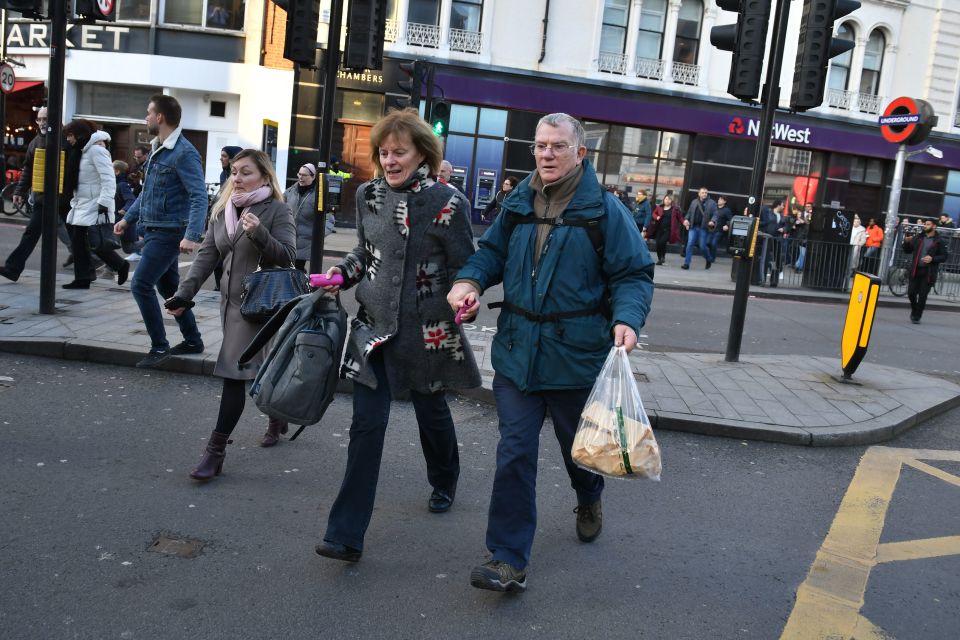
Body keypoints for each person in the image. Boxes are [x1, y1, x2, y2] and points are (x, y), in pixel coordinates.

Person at [447, 112, 654, 593]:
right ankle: (506, 558)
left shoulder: (605, 210)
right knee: (514, 453)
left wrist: (627, 318)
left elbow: (633, 274)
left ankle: (589, 495)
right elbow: (491, 253)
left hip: (575, 356)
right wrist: (469, 280)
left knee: (576, 452)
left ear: (580, 153)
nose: (547, 154)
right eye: (540, 145)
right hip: (518, 352)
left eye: (558, 146)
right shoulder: (518, 202)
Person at [313, 109, 480, 564]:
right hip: (373, 329)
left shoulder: (449, 202)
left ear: (422, 154)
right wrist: (340, 275)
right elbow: (365, 253)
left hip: (426, 334)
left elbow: (468, 264)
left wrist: (468, 291)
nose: (389, 160)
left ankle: (445, 477)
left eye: (399, 152)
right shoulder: (368, 195)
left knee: (432, 415)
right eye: (384, 152)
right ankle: (345, 535)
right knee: (366, 427)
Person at [166, 150, 297, 477]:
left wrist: (259, 234)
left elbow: (288, 257)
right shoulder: (223, 211)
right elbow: (206, 257)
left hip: (259, 306)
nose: (237, 179)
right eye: (235, 172)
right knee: (260, 363)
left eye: (246, 173)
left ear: (264, 177)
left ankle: (215, 451)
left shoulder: (277, 210)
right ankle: (277, 414)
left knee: (234, 373)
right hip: (229, 305)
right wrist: (185, 293)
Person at [113, 94, 207, 369]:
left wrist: (192, 234)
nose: (145, 118)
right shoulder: (159, 148)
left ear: (160, 118)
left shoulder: (183, 152)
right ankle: (193, 340)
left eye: (148, 113)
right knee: (168, 288)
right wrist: (128, 220)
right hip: (154, 229)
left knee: (140, 285)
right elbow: (147, 194)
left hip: (168, 232)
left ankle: (159, 346)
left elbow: (199, 196)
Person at [0, 107, 72, 282]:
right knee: (31, 233)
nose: (42, 122)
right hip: (42, 197)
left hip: (63, 198)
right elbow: (28, 170)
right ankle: (13, 268)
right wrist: (19, 191)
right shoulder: (34, 142)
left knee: (74, 233)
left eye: (45, 118)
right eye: (39, 119)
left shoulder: (65, 139)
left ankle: (100, 262)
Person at [60, 120, 129, 290]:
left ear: (80, 134)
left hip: (95, 204)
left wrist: (104, 204)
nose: (68, 139)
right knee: (81, 242)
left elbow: (108, 179)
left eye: (70, 135)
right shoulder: (81, 150)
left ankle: (117, 266)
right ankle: (85, 277)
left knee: (93, 241)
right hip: (82, 202)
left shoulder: (97, 150)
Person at [283, 162, 329, 271]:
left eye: (304, 175)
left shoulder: (319, 194)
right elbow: (279, 207)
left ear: (313, 177)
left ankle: (301, 285)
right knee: (287, 268)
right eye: (299, 174)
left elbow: (329, 218)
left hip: (305, 240)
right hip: (289, 238)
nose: (300, 177)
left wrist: (320, 234)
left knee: (297, 268)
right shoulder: (290, 191)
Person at [902, 218, 948, 324]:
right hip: (915, 270)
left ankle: (917, 316)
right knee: (911, 293)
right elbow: (908, 250)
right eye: (924, 224)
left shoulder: (939, 241)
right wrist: (906, 242)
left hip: (929, 273)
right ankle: (914, 309)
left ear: (934, 226)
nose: (925, 226)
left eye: (927, 224)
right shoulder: (919, 237)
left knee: (923, 295)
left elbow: (944, 256)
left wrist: (933, 259)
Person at [682, 187, 719, 269]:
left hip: (703, 228)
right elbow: (689, 213)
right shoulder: (694, 202)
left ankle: (708, 259)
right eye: (702, 192)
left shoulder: (712, 203)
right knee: (690, 243)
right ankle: (686, 264)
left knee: (702, 246)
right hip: (693, 227)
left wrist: (712, 221)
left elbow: (715, 214)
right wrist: (686, 220)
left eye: (706, 192)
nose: (704, 194)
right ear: (699, 193)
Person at [113, 160, 140, 258]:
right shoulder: (113, 183)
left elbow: (131, 200)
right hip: (114, 220)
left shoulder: (122, 185)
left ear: (117, 171)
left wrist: (125, 209)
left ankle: (150, 242)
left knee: (127, 248)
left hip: (121, 220)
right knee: (127, 248)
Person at [648, 193, 683, 265]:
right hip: (659, 229)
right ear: (664, 200)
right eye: (666, 199)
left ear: (671, 201)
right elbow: (654, 214)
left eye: (669, 199)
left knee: (662, 242)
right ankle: (660, 258)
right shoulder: (659, 207)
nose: (667, 201)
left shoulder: (675, 209)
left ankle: (662, 257)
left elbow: (680, 218)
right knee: (658, 244)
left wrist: (684, 222)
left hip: (668, 230)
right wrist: (656, 217)